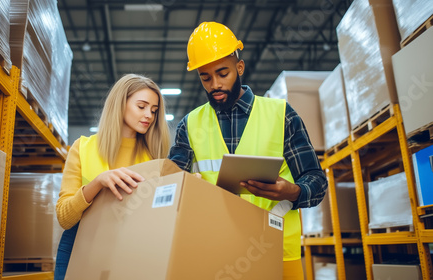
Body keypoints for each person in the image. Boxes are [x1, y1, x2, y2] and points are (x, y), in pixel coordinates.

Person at [169, 21, 328, 280]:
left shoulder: (281, 115)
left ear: (239, 67)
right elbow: (173, 183)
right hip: (217, 253)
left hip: (277, 250)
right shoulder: (190, 125)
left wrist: (294, 191)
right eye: (205, 77)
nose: (215, 85)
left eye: (223, 73)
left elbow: (317, 181)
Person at [54, 74, 170, 280]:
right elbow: (64, 217)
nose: (149, 116)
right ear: (120, 104)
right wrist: (98, 183)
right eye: (141, 106)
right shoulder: (83, 147)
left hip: (132, 249)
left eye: (154, 110)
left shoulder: (155, 159)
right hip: (79, 245)